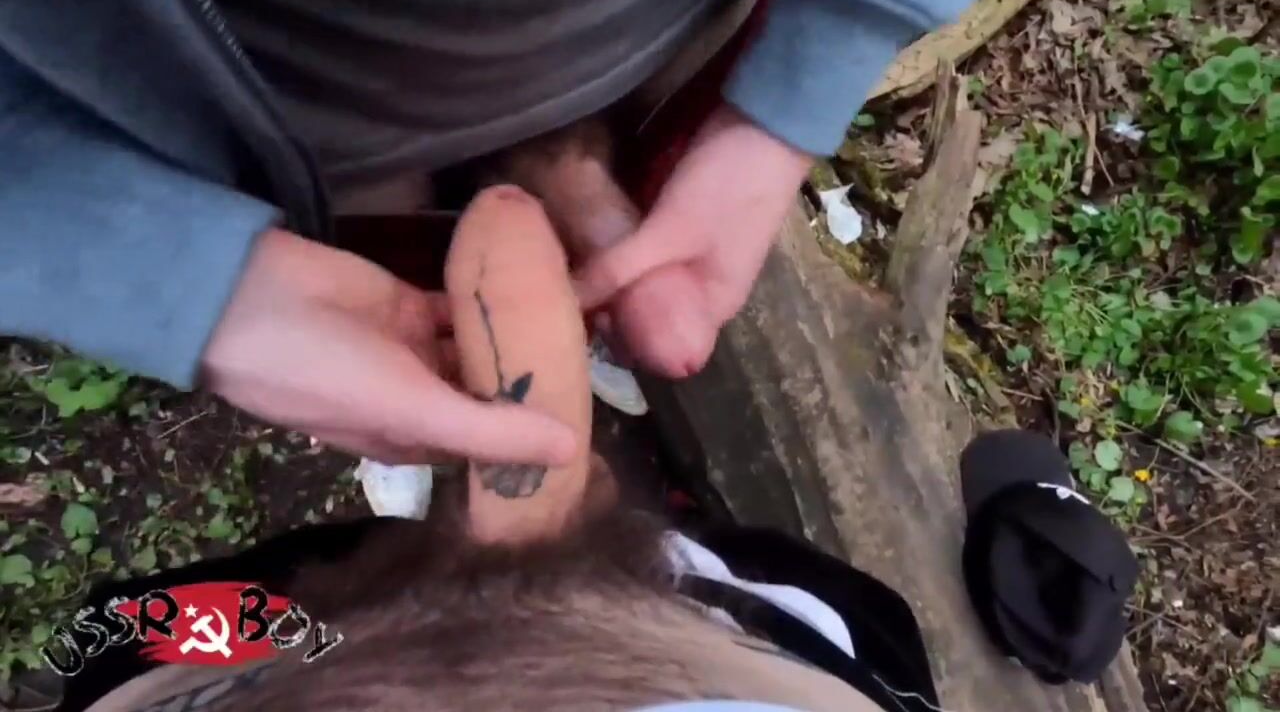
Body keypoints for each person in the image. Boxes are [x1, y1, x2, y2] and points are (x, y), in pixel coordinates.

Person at [51, 188, 942, 712]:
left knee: (140, 631)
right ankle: (567, 540)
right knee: (828, 606)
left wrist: (209, 298)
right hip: (746, 652)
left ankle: (511, 541)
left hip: (253, 646)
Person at [0, 0, 972, 470]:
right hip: (275, 115)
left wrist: (797, 91)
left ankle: (558, 159)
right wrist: (185, 279)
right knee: (393, 281)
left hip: (651, 39)